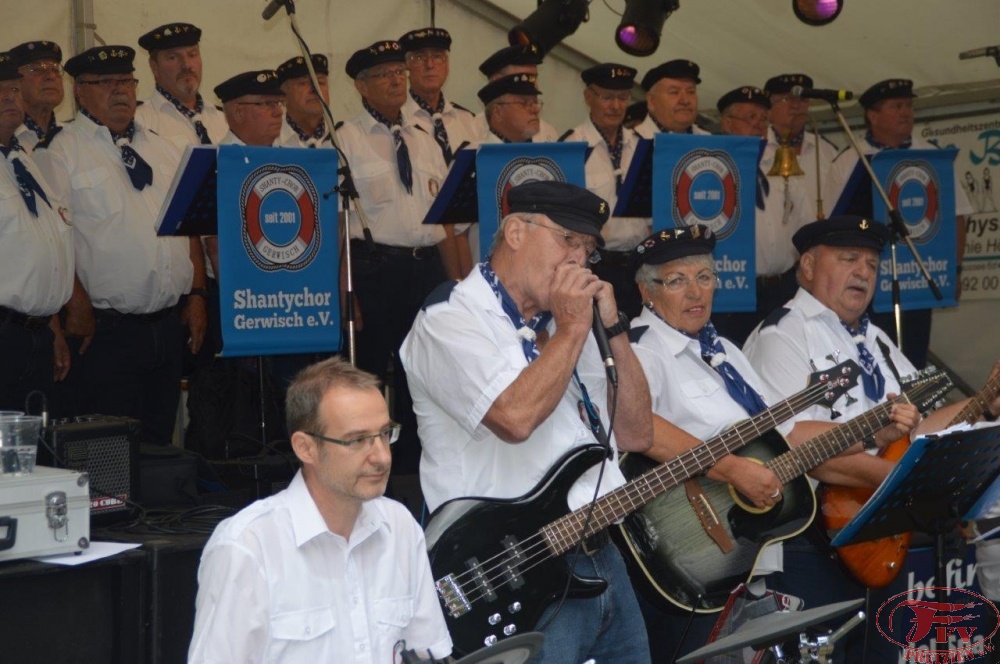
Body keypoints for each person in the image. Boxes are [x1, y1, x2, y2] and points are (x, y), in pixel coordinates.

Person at [401, 180, 654, 664]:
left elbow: (636, 433)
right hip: (513, 568)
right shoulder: (450, 318)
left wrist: (613, 328)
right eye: (567, 240)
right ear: (516, 232)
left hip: (601, 552)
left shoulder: (564, 323)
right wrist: (575, 327)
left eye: (588, 249)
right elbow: (515, 418)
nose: (578, 260)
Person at [743, 215, 998, 662]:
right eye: (848, 259)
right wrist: (915, 485)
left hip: (879, 534)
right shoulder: (782, 334)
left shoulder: (875, 338)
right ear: (806, 266)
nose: (863, 271)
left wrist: (987, 401)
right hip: (813, 541)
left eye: (872, 264)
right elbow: (800, 445)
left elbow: (915, 429)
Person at [188, 357, 453, 663]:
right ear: (306, 448)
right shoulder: (248, 547)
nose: (381, 456)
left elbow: (428, 652)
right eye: (357, 440)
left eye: (384, 433)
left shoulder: (400, 527)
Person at [33, 45, 205, 446]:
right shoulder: (60, 151)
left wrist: (197, 294)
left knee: (160, 441)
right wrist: (76, 302)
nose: (120, 91)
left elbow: (187, 228)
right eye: (105, 83)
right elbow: (56, 238)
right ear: (80, 91)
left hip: (166, 323)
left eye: (126, 81)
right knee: (111, 446)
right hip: (106, 329)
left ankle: (161, 510)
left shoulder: (163, 147)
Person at [337, 39, 450, 480]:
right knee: (366, 376)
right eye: (384, 74)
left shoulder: (423, 138)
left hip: (425, 268)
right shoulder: (343, 138)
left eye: (399, 72)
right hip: (373, 268)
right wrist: (346, 290)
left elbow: (444, 220)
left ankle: (416, 473)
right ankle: (363, 466)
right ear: (361, 87)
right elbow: (336, 224)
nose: (396, 80)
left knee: (423, 375)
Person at [824, 78, 973, 369]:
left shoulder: (931, 154)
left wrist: (954, 269)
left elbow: (958, 215)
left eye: (908, 105)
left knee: (914, 358)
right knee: (871, 356)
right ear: (873, 115)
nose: (906, 112)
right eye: (896, 106)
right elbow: (832, 225)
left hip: (918, 276)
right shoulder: (850, 159)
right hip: (867, 281)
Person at [0, 51, 73, 414]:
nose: (8, 97)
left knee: (36, 453)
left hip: (37, 332)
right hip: (5, 330)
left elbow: (48, 244)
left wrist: (53, 327)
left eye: (13, 89)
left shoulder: (25, 159)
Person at [713, 85, 810, 345]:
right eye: (749, 118)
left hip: (781, 287)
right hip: (732, 291)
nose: (758, 125)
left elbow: (805, 224)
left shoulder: (781, 163)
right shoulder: (713, 168)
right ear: (727, 123)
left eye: (762, 119)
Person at [562, 63, 647, 317]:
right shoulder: (572, 146)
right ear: (588, 97)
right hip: (595, 264)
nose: (616, 106)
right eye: (607, 97)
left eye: (623, 97)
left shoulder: (641, 146)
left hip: (638, 264)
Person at [400, 27, 479, 279]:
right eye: (420, 57)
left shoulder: (468, 121)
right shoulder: (398, 121)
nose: (430, 65)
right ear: (407, 67)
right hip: (422, 249)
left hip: (466, 242)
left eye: (438, 56)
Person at [135, 22, 229, 150]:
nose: (187, 65)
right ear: (154, 67)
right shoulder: (139, 122)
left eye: (192, 55)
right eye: (173, 57)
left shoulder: (225, 120)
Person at [762, 73, 838, 223]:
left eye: (802, 99)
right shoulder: (758, 150)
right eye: (787, 99)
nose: (795, 105)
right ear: (768, 109)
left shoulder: (826, 151)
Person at [476, 44, 559, 142]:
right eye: (524, 77)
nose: (533, 85)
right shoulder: (471, 131)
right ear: (496, 80)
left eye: (534, 78)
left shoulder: (548, 135)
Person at [9, 41, 64, 151]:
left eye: (55, 69)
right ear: (15, 82)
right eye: (37, 69)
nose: (51, 76)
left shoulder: (74, 135)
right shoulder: (7, 138)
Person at [634, 59, 709, 139]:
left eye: (691, 92)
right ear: (651, 100)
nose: (685, 101)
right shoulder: (632, 145)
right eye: (674, 92)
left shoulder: (710, 142)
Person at [275, 54, 332, 149]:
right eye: (303, 83)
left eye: (321, 82)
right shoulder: (269, 141)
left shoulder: (344, 138)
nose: (315, 90)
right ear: (283, 95)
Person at [477, 72, 544, 145]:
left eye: (535, 102)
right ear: (498, 113)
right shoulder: (476, 154)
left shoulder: (546, 152)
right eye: (524, 103)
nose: (536, 109)